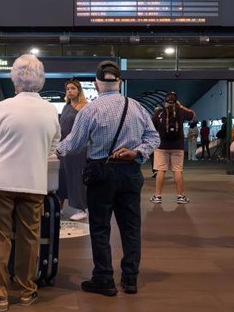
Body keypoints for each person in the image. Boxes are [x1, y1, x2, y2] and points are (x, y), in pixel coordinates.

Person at [57, 61, 160, 296]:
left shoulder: (90, 110)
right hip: (131, 171)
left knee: (100, 227)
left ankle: (104, 279)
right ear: (120, 82)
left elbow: (73, 145)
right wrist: (136, 152)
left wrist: (54, 150)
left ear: (96, 83)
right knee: (131, 227)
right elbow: (154, 137)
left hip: (101, 172)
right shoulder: (135, 107)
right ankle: (130, 279)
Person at [0, 55, 60, 310]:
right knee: (29, 238)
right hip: (33, 183)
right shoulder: (50, 110)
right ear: (41, 80)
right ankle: (27, 291)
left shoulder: (4, 106)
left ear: (15, 80)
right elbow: (53, 148)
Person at [150, 91, 196, 204]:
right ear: (176, 101)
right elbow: (193, 115)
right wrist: (180, 106)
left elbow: (152, 126)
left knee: (161, 170)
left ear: (165, 101)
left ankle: (157, 196)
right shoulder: (181, 111)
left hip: (161, 146)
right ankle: (180, 196)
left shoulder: (158, 113)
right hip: (178, 147)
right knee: (177, 171)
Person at [60, 79, 89, 221]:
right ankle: (58, 208)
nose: (70, 91)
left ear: (78, 90)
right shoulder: (66, 107)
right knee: (61, 177)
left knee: (76, 177)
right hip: (63, 147)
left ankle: (81, 208)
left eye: (72, 88)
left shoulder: (85, 107)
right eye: (67, 89)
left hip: (78, 149)